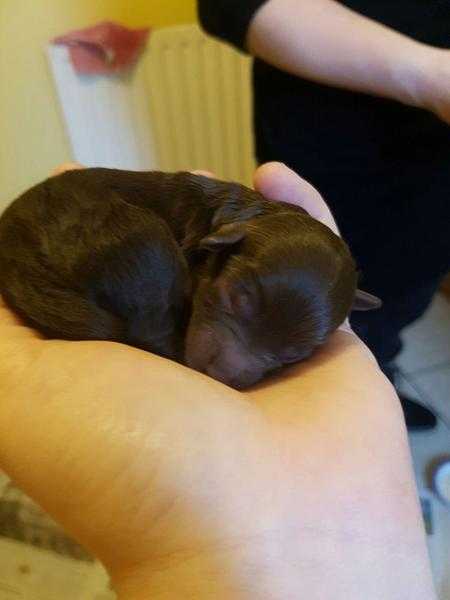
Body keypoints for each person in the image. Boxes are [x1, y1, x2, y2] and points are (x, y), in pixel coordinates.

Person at [0, 162, 436, 599]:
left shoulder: (238, 256)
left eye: (280, 355)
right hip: (51, 237)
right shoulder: (171, 238)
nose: (230, 365)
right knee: (147, 264)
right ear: (222, 244)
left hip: (61, 261)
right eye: (236, 302)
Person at [198, 0, 450, 430]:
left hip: (433, 188)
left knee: (395, 314)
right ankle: (346, 422)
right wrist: (435, 76)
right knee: (317, 337)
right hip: (339, 165)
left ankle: (381, 385)